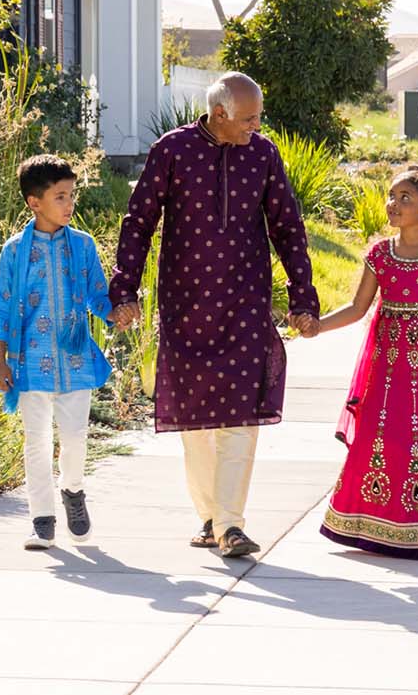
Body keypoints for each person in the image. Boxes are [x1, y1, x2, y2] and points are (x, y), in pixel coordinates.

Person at [108, 72, 319, 559]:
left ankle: (230, 524)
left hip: (246, 301)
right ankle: (209, 516)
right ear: (219, 113)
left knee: (241, 414)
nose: (257, 125)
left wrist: (302, 297)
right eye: (249, 117)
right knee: (196, 419)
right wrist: (125, 289)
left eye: (258, 116)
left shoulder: (262, 154)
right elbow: (139, 221)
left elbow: (288, 226)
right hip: (185, 303)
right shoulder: (173, 150)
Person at [313, 164, 418, 559]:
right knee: (383, 437)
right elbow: (357, 308)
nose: (394, 204)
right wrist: (316, 327)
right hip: (387, 371)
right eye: (392, 196)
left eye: (406, 198)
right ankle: (376, 525)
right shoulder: (379, 254)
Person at [0, 154, 114, 550]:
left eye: (71, 195)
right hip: (29, 365)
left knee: (76, 437)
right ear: (34, 202)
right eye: (60, 196)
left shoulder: (82, 245)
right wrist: (0, 362)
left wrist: (119, 311)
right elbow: (2, 306)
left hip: (76, 362)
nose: (69, 204)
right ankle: (41, 520)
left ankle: (73, 492)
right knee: (36, 441)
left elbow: (98, 294)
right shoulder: (14, 251)